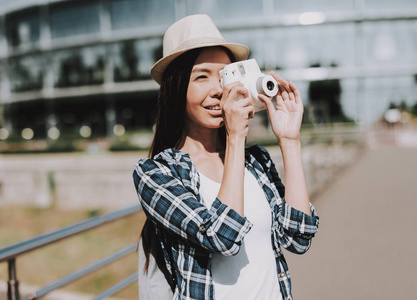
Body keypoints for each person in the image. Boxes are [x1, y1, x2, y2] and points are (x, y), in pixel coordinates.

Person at [133, 14, 319, 300]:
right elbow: (221, 237)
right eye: (202, 76)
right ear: (176, 89)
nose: (218, 90)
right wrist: (235, 138)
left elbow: (298, 236)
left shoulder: (256, 162)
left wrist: (289, 140)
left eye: (224, 76)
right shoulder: (156, 174)